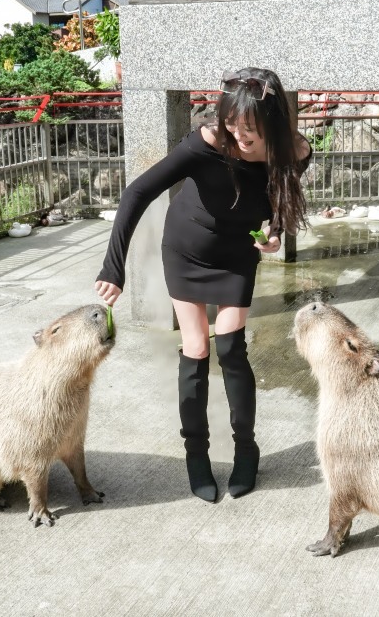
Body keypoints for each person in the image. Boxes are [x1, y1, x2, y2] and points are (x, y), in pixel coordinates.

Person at [94, 67, 312, 502]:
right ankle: (197, 455)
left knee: (232, 348)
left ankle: (246, 451)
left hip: (236, 256)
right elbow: (136, 193)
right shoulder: (208, 142)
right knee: (196, 349)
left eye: (249, 127)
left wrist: (273, 234)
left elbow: (278, 202)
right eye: (232, 122)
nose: (238, 134)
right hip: (186, 251)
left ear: (271, 120)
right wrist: (112, 268)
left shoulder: (296, 151)